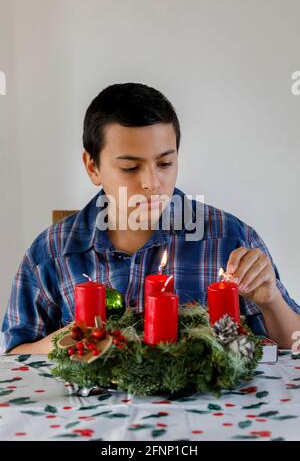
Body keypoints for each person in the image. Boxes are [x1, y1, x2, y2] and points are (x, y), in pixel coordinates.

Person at [1, 82, 300, 355]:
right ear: (92, 167)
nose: (152, 183)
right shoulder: (52, 252)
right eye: (130, 167)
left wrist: (270, 300)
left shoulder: (229, 238)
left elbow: (293, 346)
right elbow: (13, 359)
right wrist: (67, 340)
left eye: (165, 163)